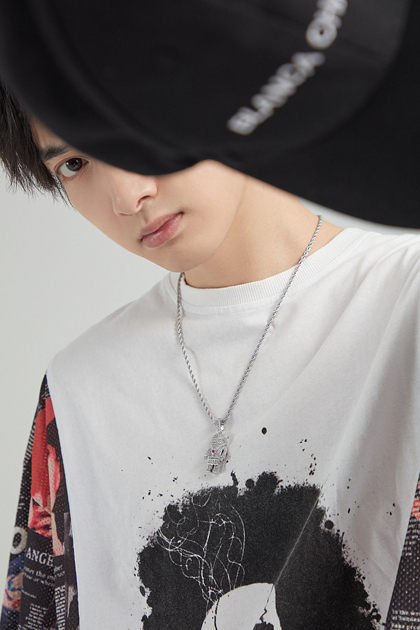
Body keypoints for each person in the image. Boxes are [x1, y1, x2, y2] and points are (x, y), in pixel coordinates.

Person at [1, 79, 420, 630]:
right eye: (74, 164)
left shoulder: (406, 305)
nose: (126, 197)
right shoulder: (77, 390)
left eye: (136, 127)